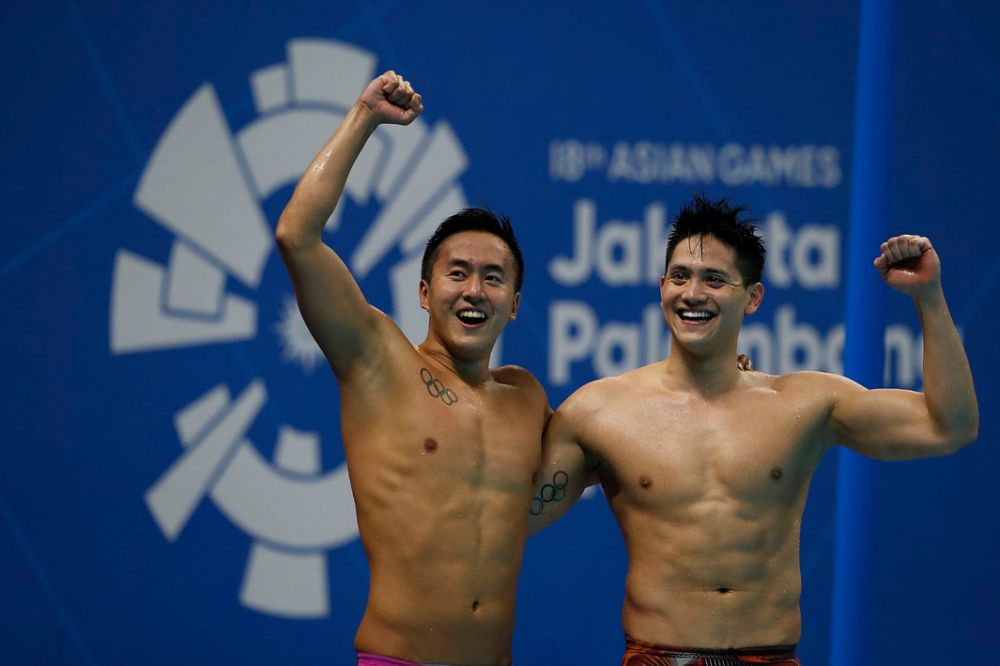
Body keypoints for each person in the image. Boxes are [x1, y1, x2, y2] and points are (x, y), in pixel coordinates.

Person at [529, 195, 979, 665]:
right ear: (661, 286)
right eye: (680, 276)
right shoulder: (601, 412)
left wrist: (928, 297)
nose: (693, 293)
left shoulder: (804, 405)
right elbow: (504, 523)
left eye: (715, 280)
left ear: (753, 298)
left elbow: (950, 425)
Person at [276, 71, 549, 666]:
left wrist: (715, 373)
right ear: (424, 292)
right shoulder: (377, 360)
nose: (474, 291)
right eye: (457, 273)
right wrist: (364, 117)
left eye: (494, 277)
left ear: (516, 303)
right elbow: (298, 236)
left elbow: (605, 450)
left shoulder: (525, 398)